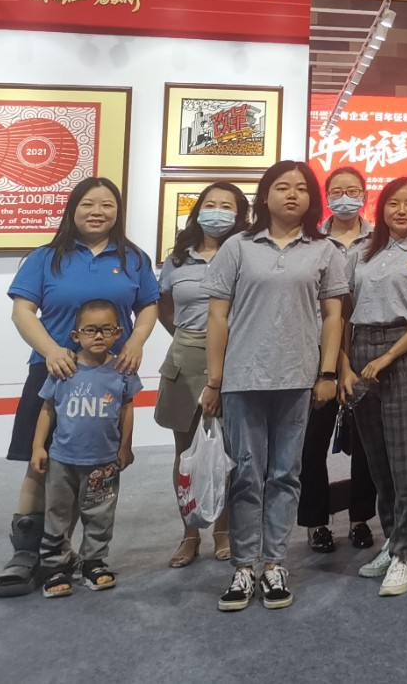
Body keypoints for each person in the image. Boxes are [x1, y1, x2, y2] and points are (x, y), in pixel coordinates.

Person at [0, 178, 158, 599]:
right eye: (88, 203)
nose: (97, 211)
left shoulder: (133, 259)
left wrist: (137, 342)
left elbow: (148, 306)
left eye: (107, 204)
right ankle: (26, 555)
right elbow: (22, 312)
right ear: (72, 209)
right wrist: (52, 351)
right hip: (54, 371)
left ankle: (81, 554)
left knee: (97, 467)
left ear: (118, 212)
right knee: (41, 464)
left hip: (108, 375)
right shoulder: (45, 257)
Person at [200, 160, 349, 612]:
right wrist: (214, 379)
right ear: (264, 195)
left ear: (311, 199)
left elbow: (333, 317)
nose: (292, 195)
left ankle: (274, 564)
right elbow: (217, 316)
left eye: (301, 188)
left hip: (297, 379)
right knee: (246, 474)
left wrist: (327, 373)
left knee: (286, 473)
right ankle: (243, 566)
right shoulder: (238, 247)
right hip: (243, 378)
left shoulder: (324, 250)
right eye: (282, 187)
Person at [340, 178, 407, 596]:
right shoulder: (362, 254)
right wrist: (344, 365)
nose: (401, 211)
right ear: (381, 208)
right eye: (393, 203)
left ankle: (405, 554)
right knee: (378, 460)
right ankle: (392, 541)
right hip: (361, 348)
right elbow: (343, 312)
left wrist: (388, 357)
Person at [158, 181, 250, 568]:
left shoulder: (246, 251)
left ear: (240, 214)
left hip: (235, 358)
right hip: (185, 357)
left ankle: (223, 531)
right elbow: (164, 307)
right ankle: (190, 532)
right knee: (186, 453)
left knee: (229, 450)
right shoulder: (178, 259)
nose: (217, 212)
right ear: (198, 211)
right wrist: (188, 338)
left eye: (227, 206)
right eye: (210, 204)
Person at [30, 301, 139, 597]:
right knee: (58, 512)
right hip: (62, 460)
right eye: (90, 330)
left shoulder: (122, 371)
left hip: (104, 461)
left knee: (100, 513)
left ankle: (93, 562)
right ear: (76, 335)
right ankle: (55, 566)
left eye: (106, 329)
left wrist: (125, 446)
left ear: (118, 333)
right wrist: (38, 446)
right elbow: (47, 409)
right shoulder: (64, 369)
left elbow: (127, 408)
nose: (99, 335)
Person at [299, 166, 376, 554]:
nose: (345, 197)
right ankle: (316, 523)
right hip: (318, 352)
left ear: (365, 194)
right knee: (312, 444)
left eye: (353, 190)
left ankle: (361, 518)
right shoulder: (311, 241)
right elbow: (326, 311)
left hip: (370, 350)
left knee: (366, 443)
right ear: (326, 196)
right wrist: (338, 364)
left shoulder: (381, 240)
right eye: (337, 191)